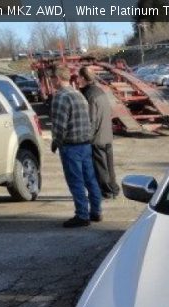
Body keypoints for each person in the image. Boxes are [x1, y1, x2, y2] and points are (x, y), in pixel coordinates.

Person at [50, 65, 102, 228]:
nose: (51, 82)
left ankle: (81, 215)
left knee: (76, 181)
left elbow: (59, 125)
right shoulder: (78, 94)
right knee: (90, 179)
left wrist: (56, 142)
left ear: (57, 79)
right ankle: (96, 211)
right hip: (85, 145)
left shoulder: (61, 97)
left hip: (71, 147)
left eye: (52, 79)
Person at [78, 66, 120, 199]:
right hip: (106, 134)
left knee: (101, 168)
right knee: (109, 167)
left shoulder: (89, 94)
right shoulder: (99, 91)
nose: (77, 79)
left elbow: (91, 120)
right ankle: (113, 189)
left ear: (83, 78)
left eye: (79, 77)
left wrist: (86, 139)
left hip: (97, 138)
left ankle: (107, 192)